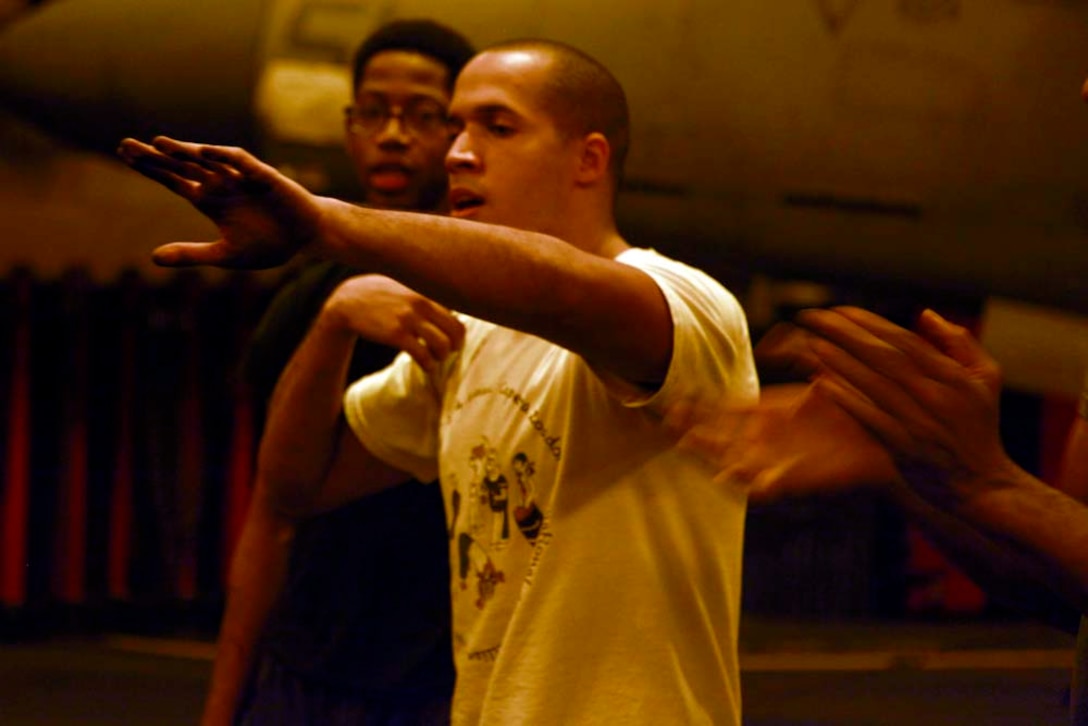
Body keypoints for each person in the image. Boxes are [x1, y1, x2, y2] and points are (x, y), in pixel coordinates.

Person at [118, 39, 759, 725]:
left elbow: (557, 290)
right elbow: (296, 485)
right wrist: (334, 322)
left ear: (589, 159)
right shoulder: (464, 339)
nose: (458, 152)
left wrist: (327, 223)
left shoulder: (686, 303)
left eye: (498, 126)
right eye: (456, 127)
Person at [200, 20, 475, 726]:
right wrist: (223, 705)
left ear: (461, 135)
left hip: (453, 682)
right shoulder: (306, 301)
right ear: (350, 128)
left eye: (421, 116)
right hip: (310, 675)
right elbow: (270, 515)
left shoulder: (499, 294)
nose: (391, 134)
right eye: (373, 112)